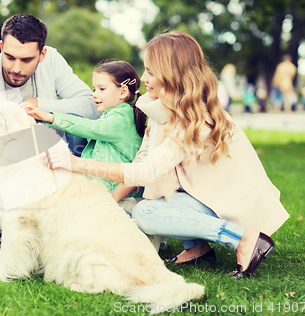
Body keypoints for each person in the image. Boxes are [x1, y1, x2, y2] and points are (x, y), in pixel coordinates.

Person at [41, 31, 290, 279]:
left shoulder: (194, 117)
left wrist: (77, 163)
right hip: (201, 194)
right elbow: (142, 159)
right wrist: (109, 199)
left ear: (171, 74)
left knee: (147, 213)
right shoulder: (163, 106)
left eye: (150, 71)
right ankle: (197, 249)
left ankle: (244, 239)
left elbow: (146, 173)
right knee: (150, 204)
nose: (144, 77)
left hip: (230, 201)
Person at [0, 14, 100, 249]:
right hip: (6, 167)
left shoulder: (52, 61)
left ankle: (68, 215)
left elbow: (91, 107)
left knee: (74, 123)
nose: (16, 68)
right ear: (1, 47)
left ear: (42, 55)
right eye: (9, 57)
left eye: (26, 60)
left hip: (46, 157)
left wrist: (43, 105)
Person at [22, 60, 146, 198]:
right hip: (102, 188)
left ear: (123, 92)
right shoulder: (111, 115)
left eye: (102, 89)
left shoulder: (122, 117)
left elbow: (91, 127)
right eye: (94, 89)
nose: (94, 94)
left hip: (120, 196)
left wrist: (49, 117)